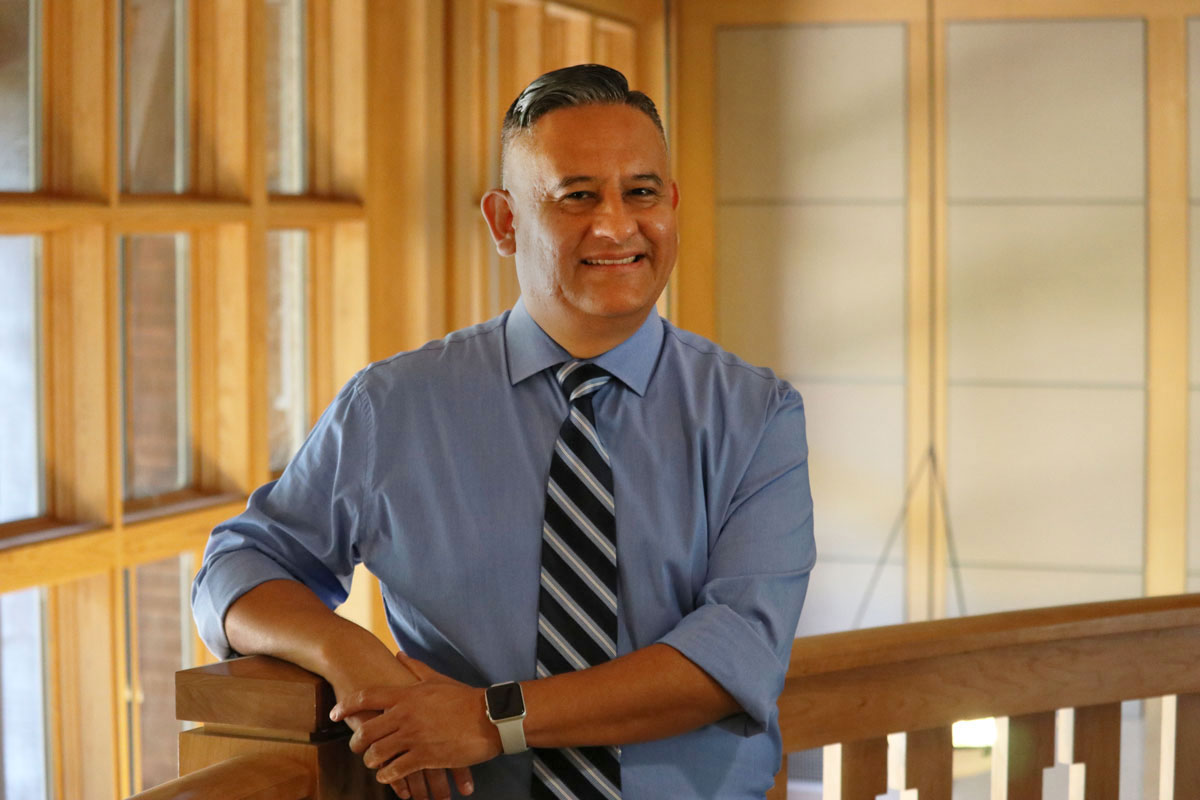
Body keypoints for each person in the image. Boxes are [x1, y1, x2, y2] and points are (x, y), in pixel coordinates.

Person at [192, 64, 815, 800]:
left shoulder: (756, 414)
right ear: (504, 221)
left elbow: (732, 655)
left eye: (640, 192)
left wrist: (493, 719)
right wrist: (350, 653)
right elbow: (235, 569)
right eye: (576, 195)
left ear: (672, 205)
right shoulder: (394, 406)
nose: (616, 224)